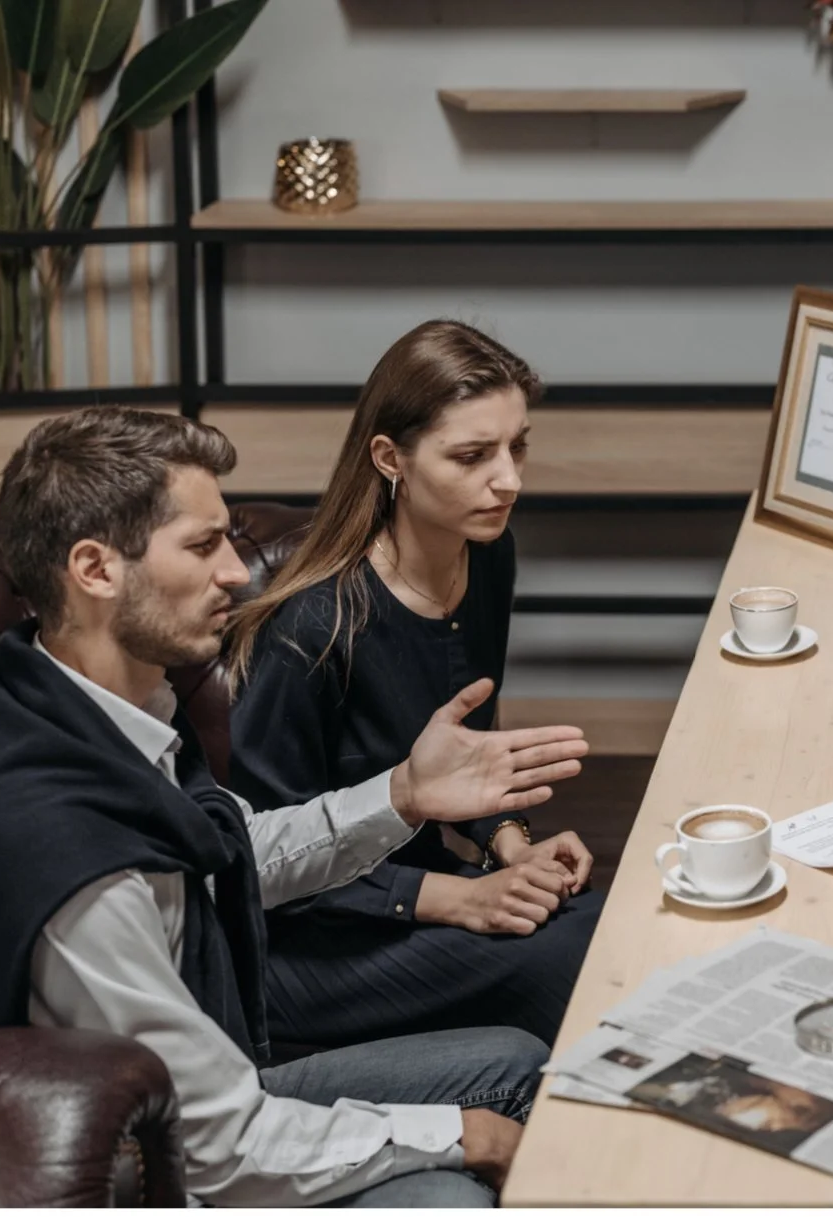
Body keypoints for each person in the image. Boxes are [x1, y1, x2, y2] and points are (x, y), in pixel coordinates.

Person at [0, 408, 587, 1205]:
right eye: (202, 545)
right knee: (448, 1191)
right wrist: (459, 1135)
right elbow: (219, 1148)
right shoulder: (75, 870)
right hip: (145, 1165)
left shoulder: (79, 700)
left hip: (209, 1084)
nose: (238, 572)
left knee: (516, 1063)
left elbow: (227, 848)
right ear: (96, 569)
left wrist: (401, 794)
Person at [224, 320, 601, 1051]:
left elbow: (465, 752)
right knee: (576, 957)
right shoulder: (313, 625)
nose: (509, 480)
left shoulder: (486, 553)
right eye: (472, 455)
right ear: (389, 457)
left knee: (601, 922)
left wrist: (512, 847)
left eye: (517, 446)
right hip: (307, 948)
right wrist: (462, 898)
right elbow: (260, 862)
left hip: (420, 897)